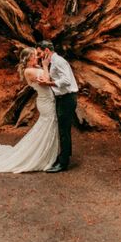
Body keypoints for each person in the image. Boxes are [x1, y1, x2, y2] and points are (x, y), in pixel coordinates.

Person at [35, 40, 78, 172]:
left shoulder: (59, 61)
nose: (38, 56)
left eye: (40, 53)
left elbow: (66, 81)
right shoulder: (52, 62)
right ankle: (63, 157)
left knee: (64, 131)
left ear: (47, 51)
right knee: (62, 129)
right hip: (61, 98)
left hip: (67, 99)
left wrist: (49, 83)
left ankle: (63, 163)